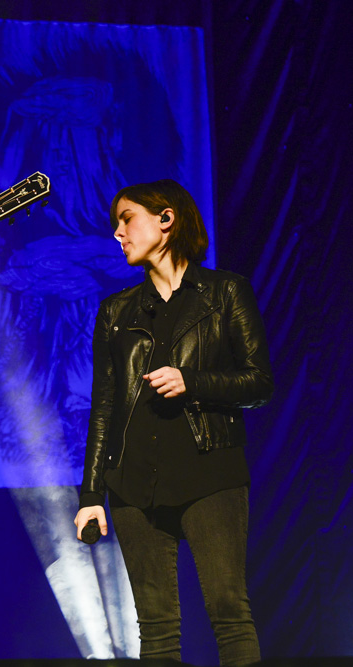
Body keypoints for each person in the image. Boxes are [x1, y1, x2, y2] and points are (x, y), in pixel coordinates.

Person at [74, 179, 272, 665]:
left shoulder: (225, 293)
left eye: (127, 219)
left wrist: (193, 381)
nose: (118, 233)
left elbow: (259, 383)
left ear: (167, 220)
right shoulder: (116, 313)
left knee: (229, 609)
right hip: (133, 482)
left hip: (210, 471)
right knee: (156, 628)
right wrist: (91, 497)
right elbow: (103, 408)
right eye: (116, 224)